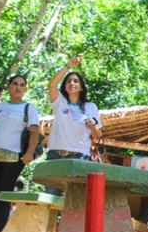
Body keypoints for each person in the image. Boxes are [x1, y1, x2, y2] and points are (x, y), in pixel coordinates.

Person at [0, 76, 41, 232]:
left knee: (2, 197)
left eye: (22, 85)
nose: (18, 87)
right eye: (15, 84)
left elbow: (34, 132)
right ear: (9, 87)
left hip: (13, 158)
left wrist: (29, 153)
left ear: (25, 89)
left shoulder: (29, 108)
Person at [44, 56, 103, 195]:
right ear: (65, 86)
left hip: (80, 157)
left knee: (75, 200)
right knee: (51, 198)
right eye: (68, 81)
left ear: (81, 87)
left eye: (76, 81)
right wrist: (68, 66)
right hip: (55, 156)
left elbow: (98, 136)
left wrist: (92, 128)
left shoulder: (90, 107)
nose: (72, 83)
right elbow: (52, 84)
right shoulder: (59, 102)